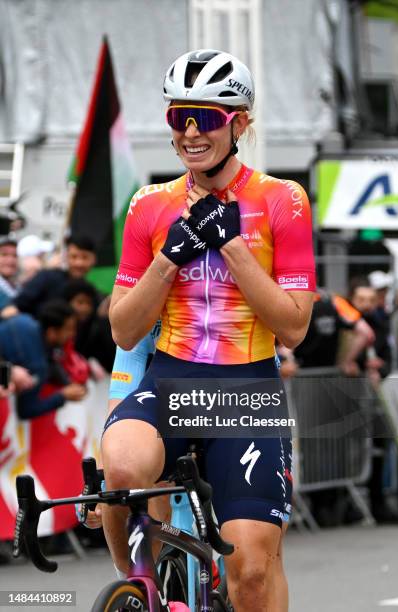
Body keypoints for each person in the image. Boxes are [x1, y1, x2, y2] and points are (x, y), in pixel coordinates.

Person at [102, 49, 316, 612]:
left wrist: (233, 247)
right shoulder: (150, 204)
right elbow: (124, 331)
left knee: (250, 573)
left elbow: (294, 328)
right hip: (171, 380)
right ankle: (139, 583)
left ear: (240, 122)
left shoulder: (282, 200)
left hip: (245, 390)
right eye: (180, 117)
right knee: (119, 467)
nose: (193, 132)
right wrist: (167, 261)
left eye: (210, 116)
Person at [14, 235, 98, 317]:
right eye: (74, 257)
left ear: (94, 260)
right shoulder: (47, 277)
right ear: (66, 257)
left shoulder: (92, 292)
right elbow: (18, 305)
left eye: (85, 257)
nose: (79, 263)